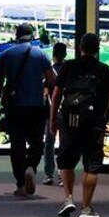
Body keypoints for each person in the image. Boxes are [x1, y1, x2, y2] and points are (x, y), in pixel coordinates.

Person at [49, 33, 109, 217]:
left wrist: (53, 119)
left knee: (67, 159)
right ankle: (86, 208)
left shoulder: (69, 66)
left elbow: (56, 95)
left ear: (80, 47)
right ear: (97, 49)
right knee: (91, 164)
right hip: (93, 122)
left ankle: (68, 198)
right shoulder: (104, 69)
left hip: (69, 119)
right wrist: (106, 114)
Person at [0, 23, 55, 197]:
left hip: (14, 108)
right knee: (37, 143)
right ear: (32, 35)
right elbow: (51, 82)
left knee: (17, 145)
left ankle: (20, 184)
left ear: (16, 35)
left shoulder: (5, 55)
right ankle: (31, 167)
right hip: (36, 107)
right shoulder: (41, 55)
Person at [42, 42, 68, 185]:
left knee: (49, 143)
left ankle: (48, 174)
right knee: (64, 143)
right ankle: (62, 174)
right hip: (65, 112)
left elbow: (44, 93)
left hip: (50, 111)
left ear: (53, 55)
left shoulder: (49, 71)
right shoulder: (69, 70)